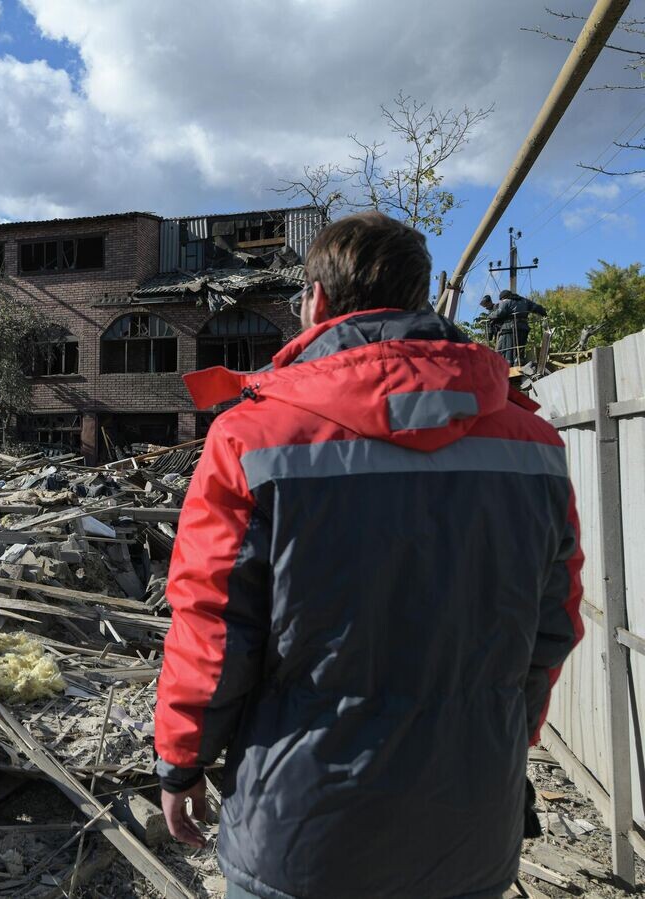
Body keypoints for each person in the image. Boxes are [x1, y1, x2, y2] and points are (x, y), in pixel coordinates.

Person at [154, 212, 583, 899]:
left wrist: (182, 760)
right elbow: (551, 625)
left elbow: (213, 626)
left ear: (316, 302)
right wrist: (501, 732)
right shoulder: (533, 445)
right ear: (419, 298)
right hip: (468, 826)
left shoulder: (250, 439)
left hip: (298, 836)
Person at [490, 288, 547, 366]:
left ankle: (508, 363)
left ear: (503, 297)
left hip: (509, 329)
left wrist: (490, 316)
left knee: (506, 348)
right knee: (520, 348)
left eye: (501, 299)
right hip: (523, 327)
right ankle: (519, 361)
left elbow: (500, 313)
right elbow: (537, 308)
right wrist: (544, 313)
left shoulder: (506, 301)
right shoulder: (524, 301)